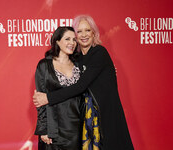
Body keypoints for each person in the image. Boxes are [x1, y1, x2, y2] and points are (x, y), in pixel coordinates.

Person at [33, 15, 134, 150]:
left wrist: (48, 98)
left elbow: (80, 86)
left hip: (104, 116)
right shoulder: (77, 58)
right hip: (83, 119)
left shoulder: (99, 52)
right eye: (79, 32)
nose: (83, 35)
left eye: (87, 30)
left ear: (94, 33)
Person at [34, 26, 84, 150]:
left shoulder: (80, 64)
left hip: (77, 128)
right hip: (54, 129)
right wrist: (43, 129)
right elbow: (40, 100)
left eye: (74, 39)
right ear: (57, 41)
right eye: (67, 39)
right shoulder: (44, 65)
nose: (72, 43)